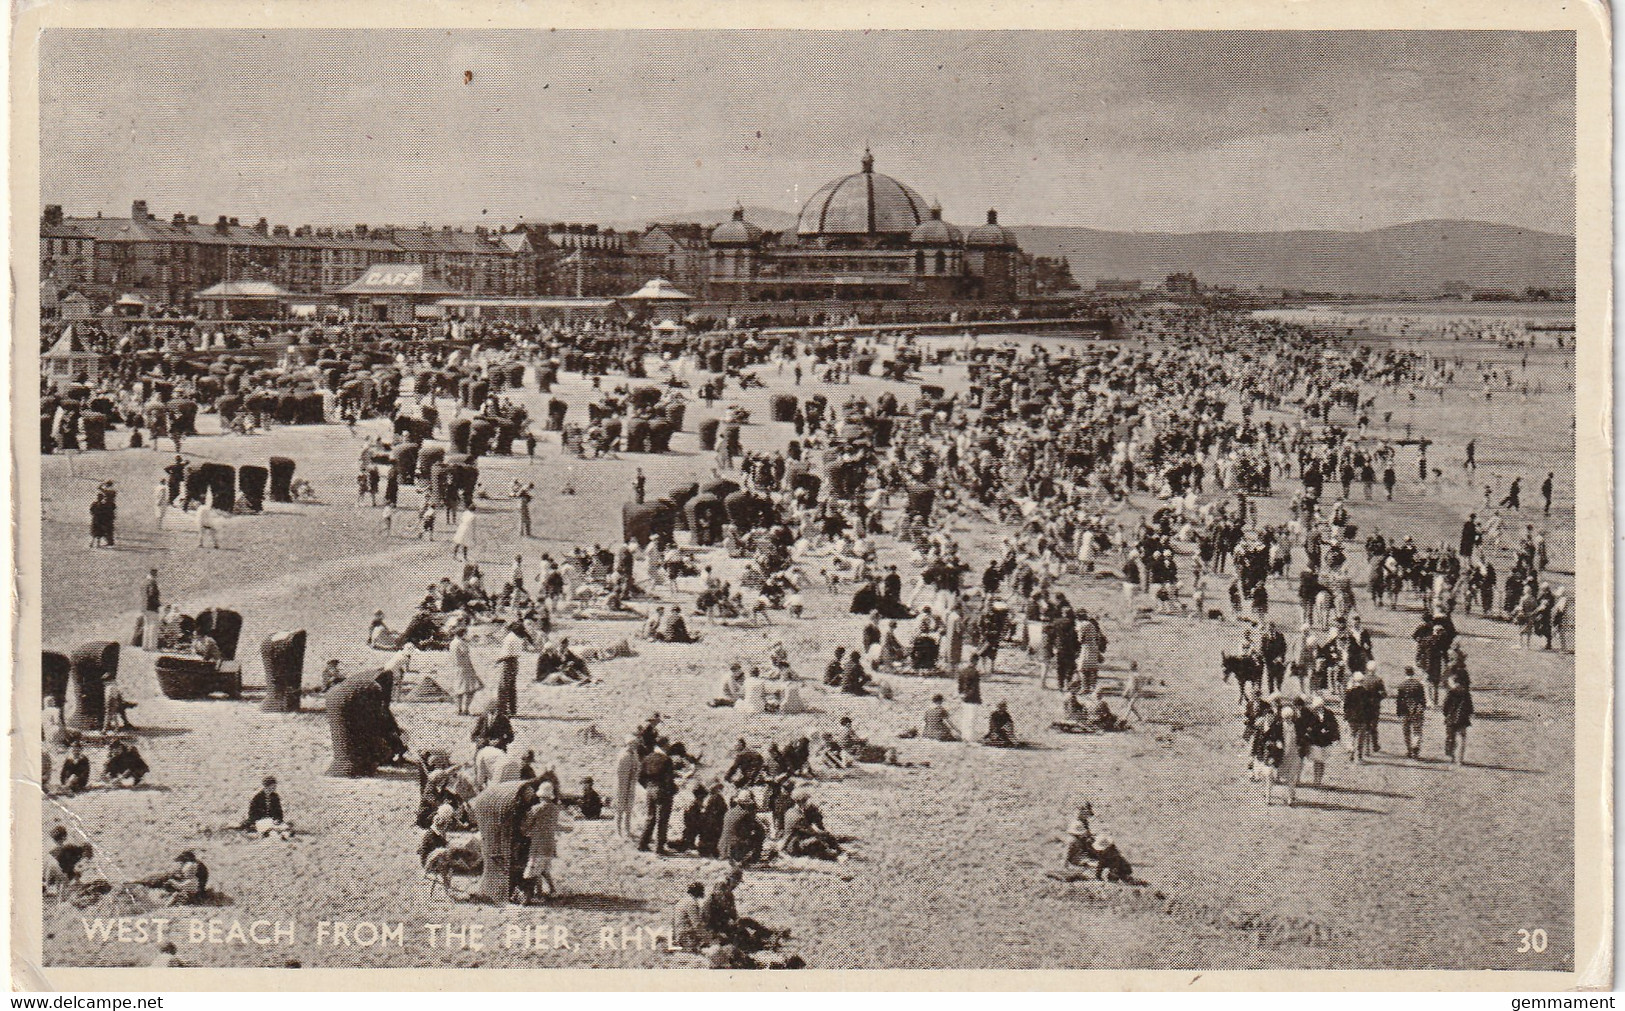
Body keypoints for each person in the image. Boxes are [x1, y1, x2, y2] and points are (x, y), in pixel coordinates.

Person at [519, 781, 568, 903]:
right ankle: (552, 890)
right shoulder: (555, 810)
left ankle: (538, 893)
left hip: (538, 845)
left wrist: (523, 829)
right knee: (544, 869)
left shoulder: (536, 809)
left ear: (540, 796)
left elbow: (525, 824)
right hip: (550, 844)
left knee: (533, 870)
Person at [638, 738, 677, 855]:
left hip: (650, 790)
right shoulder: (666, 760)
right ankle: (659, 848)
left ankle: (642, 844)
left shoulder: (647, 758)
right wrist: (673, 790)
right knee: (662, 819)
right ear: (664, 746)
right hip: (662, 791)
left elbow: (640, 777)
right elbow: (669, 780)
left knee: (650, 817)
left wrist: (648, 787)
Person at [1302, 696, 1340, 786]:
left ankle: (1319, 779)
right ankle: (1316, 779)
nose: (1318, 708)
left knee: (1322, 761)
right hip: (1315, 741)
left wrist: (1329, 731)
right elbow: (1309, 726)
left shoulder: (1329, 714)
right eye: (1317, 707)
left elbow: (1334, 725)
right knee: (1317, 760)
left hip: (1326, 741)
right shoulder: (1312, 714)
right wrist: (1318, 730)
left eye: (1320, 706)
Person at [1395, 666, 1428, 759]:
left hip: (1405, 710)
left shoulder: (1402, 685)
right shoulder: (1418, 685)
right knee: (1417, 730)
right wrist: (1423, 707)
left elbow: (1399, 700)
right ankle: (1415, 746)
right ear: (1413, 673)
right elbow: (1423, 699)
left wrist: (1398, 711)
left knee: (1406, 731)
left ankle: (1409, 749)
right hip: (1417, 709)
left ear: (1405, 673)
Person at [1442, 674, 1474, 766]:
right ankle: (1460, 759)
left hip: (1451, 719)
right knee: (1462, 738)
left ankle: (1452, 756)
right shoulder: (1466, 693)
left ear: (1453, 682)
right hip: (1463, 719)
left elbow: (1445, 707)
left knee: (1451, 738)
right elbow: (1470, 707)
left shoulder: (1450, 692)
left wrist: (1446, 715)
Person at [672, 882, 714, 951]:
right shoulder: (691, 903)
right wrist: (708, 938)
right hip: (686, 936)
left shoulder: (683, 900)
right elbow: (696, 924)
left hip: (680, 934)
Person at [450, 626, 482, 716]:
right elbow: (466, 657)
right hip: (465, 668)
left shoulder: (452, 643)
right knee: (470, 689)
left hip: (456, 668)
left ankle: (459, 709)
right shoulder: (461, 643)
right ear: (463, 634)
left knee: (459, 689)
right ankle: (466, 709)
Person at [615, 736, 641, 839]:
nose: (634, 745)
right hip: (622, 785)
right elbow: (619, 772)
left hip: (631, 784)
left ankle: (627, 830)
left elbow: (637, 768)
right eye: (632, 743)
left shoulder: (634, 755)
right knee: (620, 808)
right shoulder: (622, 755)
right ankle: (618, 831)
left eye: (635, 744)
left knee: (629, 809)